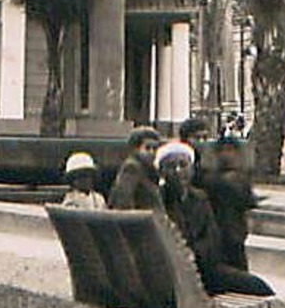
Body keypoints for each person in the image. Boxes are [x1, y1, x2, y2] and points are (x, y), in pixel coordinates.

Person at [156, 141, 275, 298]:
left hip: (203, 267)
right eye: (171, 167)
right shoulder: (158, 199)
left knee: (257, 287)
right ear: (162, 172)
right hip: (171, 271)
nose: (178, 171)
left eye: (183, 165)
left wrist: (197, 255)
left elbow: (211, 237)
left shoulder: (200, 198)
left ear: (191, 169)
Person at [199, 134, 261, 271]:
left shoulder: (240, 179)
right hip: (217, 234)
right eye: (223, 150)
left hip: (235, 233)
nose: (226, 155)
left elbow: (248, 202)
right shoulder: (210, 180)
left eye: (231, 150)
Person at [108, 125, 164, 210]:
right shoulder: (132, 168)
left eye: (155, 148)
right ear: (136, 149)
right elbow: (124, 200)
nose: (152, 152)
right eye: (147, 148)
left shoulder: (150, 170)